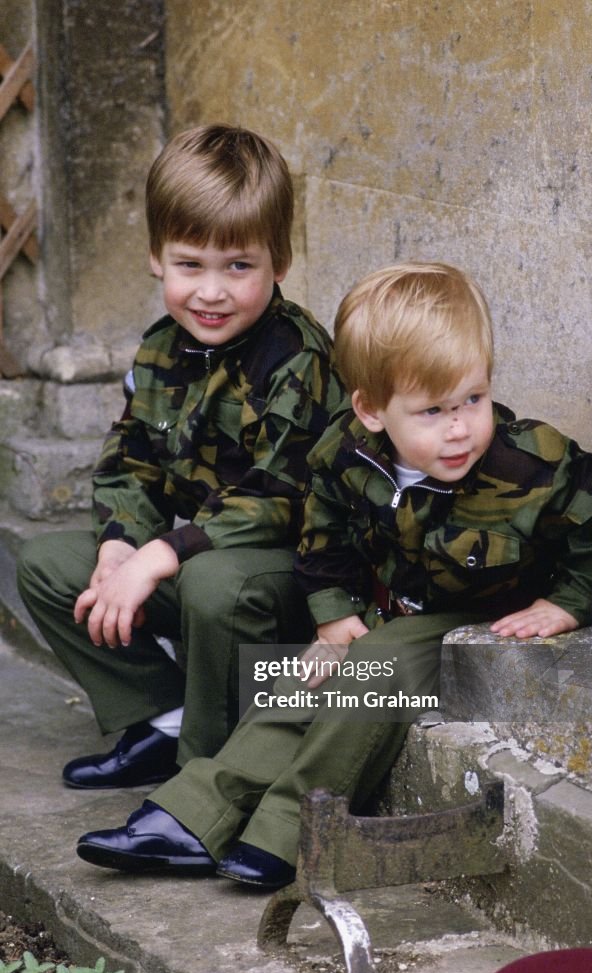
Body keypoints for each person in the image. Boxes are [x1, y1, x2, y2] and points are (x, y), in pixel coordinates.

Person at [71, 261, 592, 887]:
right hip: (394, 610)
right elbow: (321, 533)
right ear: (373, 410)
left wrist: (570, 601)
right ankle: (194, 812)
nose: (461, 427)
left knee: (373, 671)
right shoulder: (346, 451)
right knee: (302, 680)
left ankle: (290, 830)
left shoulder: (532, 465)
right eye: (433, 410)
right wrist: (333, 614)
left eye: (474, 397)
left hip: (478, 619)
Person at [17, 123, 344, 788]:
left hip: (289, 583)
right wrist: (120, 546)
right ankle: (164, 720)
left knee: (213, 582)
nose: (212, 292)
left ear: (279, 261)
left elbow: (278, 497)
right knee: (50, 565)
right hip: (200, 561)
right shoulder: (161, 349)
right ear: (156, 258)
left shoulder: (297, 358)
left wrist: (160, 556)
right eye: (190, 264)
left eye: (239, 267)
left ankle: (209, 777)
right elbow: (132, 459)